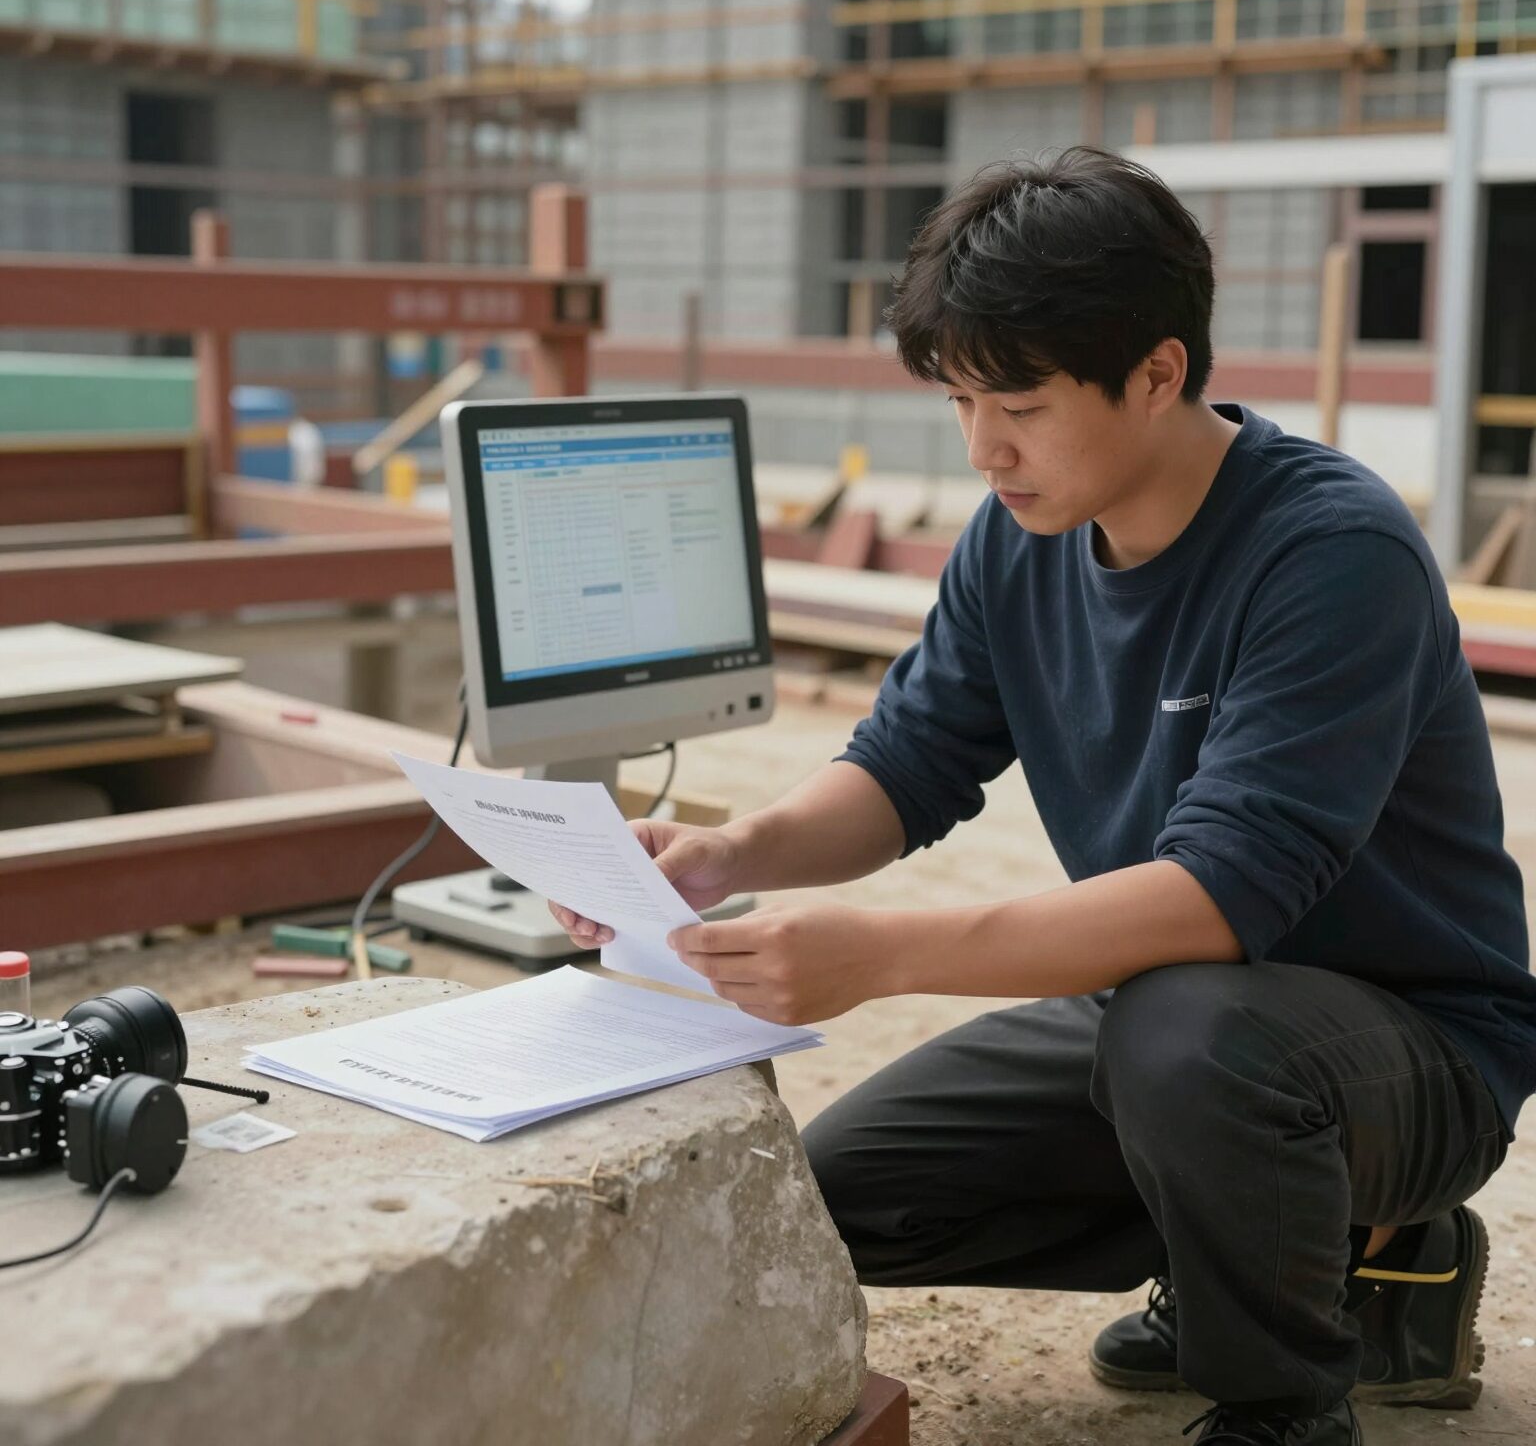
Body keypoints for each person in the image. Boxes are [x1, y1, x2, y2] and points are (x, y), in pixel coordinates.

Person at [548, 146, 1536, 1446]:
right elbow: (906, 767)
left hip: (1407, 1050)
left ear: (1159, 372)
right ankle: (1291, 1250)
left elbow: (1221, 896)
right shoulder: (1022, 541)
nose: (981, 447)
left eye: (1017, 400)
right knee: (842, 1193)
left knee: (1190, 1041)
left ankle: (1286, 1400)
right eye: (959, 399)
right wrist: (735, 851)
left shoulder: (1329, 552)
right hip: (1169, 1019)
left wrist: (878, 957)